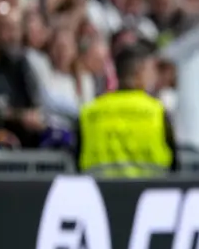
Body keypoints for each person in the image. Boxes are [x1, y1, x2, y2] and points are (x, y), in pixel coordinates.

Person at [74, 44, 178, 177]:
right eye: (151, 70)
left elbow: (76, 160)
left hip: (99, 193)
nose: (154, 76)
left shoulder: (89, 112)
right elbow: (174, 165)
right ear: (139, 72)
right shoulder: (157, 112)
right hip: (149, 191)